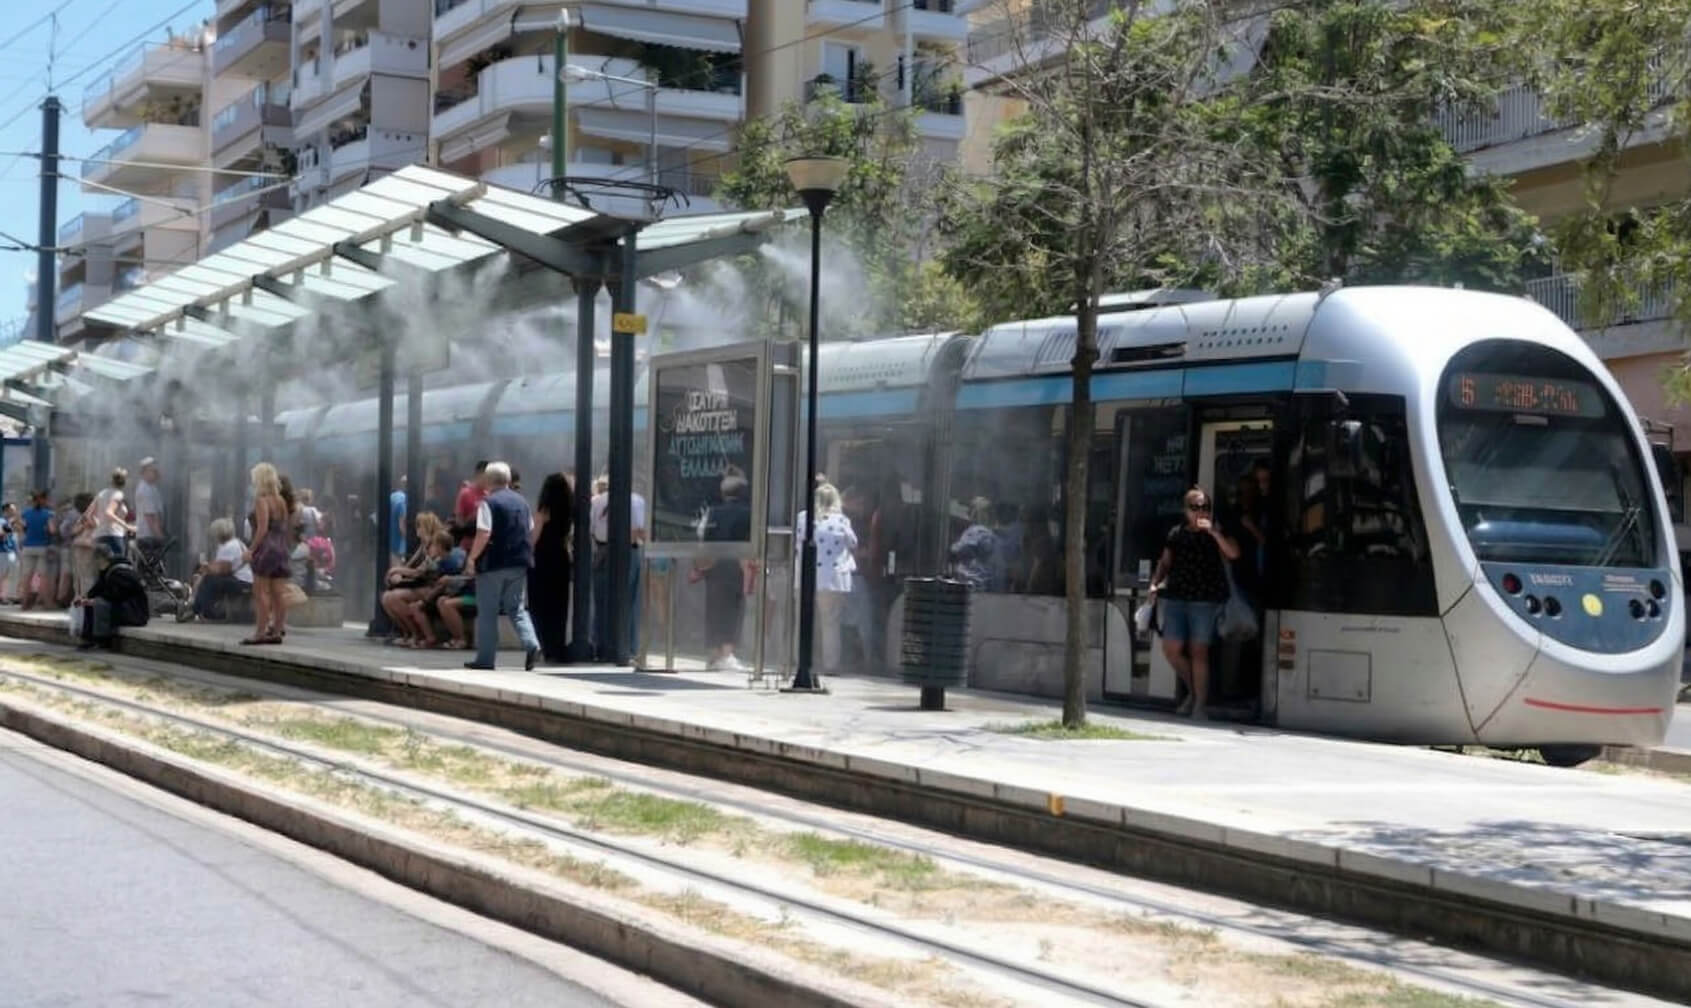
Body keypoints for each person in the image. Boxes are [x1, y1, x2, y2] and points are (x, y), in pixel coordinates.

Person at [1148, 486, 1241, 719]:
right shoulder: (1176, 533)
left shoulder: (1217, 530)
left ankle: (1199, 704)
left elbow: (1234, 554)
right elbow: (1165, 562)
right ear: (1186, 510)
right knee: (1171, 648)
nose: (1201, 512)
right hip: (1178, 597)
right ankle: (1194, 692)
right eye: (1196, 507)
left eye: (1205, 507)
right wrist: (1154, 583)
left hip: (1205, 600)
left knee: (1199, 651)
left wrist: (1215, 534)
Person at [464, 461, 540, 672]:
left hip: (493, 565)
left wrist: (472, 558)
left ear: (488, 480)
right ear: (508, 480)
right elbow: (530, 530)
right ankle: (532, 644)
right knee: (516, 608)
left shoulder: (488, 503)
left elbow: (484, 533)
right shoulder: (523, 503)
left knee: (488, 611)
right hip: (519, 563)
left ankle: (485, 659)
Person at [690, 473, 755, 672]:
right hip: (737, 563)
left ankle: (713, 654)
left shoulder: (713, 511)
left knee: (714, 608)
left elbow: (702, 535)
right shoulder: (748, 512)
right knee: (734, 609)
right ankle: (727, 654)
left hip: (714, 564)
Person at [796, 483, 858, 675]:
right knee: (830, 623)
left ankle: (802, 659)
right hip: (833, 578)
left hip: (807, 575)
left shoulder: (804, 517)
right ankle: (830, 664)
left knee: (804, 620)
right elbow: (854, 543)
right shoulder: (842, 521)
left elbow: (797, 542)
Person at [590, 475, 649, 661]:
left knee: (601, 600)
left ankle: (600, 645)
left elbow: (591, 528)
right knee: (629, 601)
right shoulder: (637, 500)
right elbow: (641, 531)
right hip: (627, 551)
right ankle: (628, 647)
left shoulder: (596, 501)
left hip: (602, 551)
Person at [244, 462, 293, 646]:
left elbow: (262, 528)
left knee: (260, 592)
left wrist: (251, 549)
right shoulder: (280, 501)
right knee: (278, 593)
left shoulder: (261, 500)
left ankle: (260, 632)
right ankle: (277, 630)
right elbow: (285, 527)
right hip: (281, 548)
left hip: (266, 549)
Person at [379, 512, 446, 644]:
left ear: (426, 526)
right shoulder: (424, 544)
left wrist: (395, 570)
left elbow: (418, 572)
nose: (417, 529)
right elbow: (409, 565)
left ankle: (417, 633)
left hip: (432, 587)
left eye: (419, 526)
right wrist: (397, 573)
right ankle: (407, 632)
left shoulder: (434, 545)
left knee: (394, 597)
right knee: (386, 597)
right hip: (421, 584)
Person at [529, 472, 573, 664]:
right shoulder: (570, 509)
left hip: (542, 559)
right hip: (561, 557)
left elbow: (535, 536)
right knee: (559, 606)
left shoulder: (544, 509)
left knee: (540, 606)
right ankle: (558, 646)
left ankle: (544, 647)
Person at [74, 541, 148, 650]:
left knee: (99, 604)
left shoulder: (121, 572)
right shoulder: (108, 570)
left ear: (101, 559)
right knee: (91, 603)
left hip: (134, 612)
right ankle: (88, 638)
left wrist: (94, 601)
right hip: (124, 608)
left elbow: (118, 594)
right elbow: (98, 588)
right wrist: (85, 597)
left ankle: (102, 639)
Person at [189, 518, 252, 620]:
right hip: (246, 580)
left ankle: (203, 610)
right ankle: (197, 608)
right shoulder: (237, 543)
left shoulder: (228, 546)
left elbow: (224, 570)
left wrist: (207, 568)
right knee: (209, 579)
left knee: (210, 580)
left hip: (241, 581)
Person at [949, 497, 1000, 591]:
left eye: (972, 509)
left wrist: (953, 546)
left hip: (971, 582)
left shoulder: (978, 531)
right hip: (983, 582)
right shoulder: (991, 534)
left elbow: (958, 549)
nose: (968, 512)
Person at [15, 492, 54, 609]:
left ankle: (24, 603)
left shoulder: (26, 513)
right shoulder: (48, 514)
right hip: (42, 547)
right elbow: (52, 530)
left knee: (26, 576)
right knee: (43, 576)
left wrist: (26, 534)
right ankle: (47, 603)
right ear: (43, 501)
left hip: (28, 547)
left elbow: (20, 527)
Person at [88, 468, 134, 559]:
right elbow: (109, 513)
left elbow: (89, 515)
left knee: (102, 570)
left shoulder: (101, 494)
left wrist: (98, 525)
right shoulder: (118, 494)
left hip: (99, 537)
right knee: (118, 567)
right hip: (114, 536)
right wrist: (127, 526)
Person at [68, 492, 97, 602]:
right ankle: (81, 600)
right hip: (81, 550)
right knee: (80, 578)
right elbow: (74, 531)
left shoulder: (93, 517)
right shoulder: (84, 517)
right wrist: (83, 526)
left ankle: (86, 600)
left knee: (87, 577)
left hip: (87, 549)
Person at [134, 457, 166, 555]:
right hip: (148, 538)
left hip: (152, 537)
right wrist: (160, 538)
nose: (156, 472)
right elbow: (150, 518)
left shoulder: (152, 488)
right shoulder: (145, 490)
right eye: (153, 470)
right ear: (144, 472)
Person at [454, 461, 488, 550]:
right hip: (468, 546)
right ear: (478, 475)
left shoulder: (489, 495)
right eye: (486, 476)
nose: (489, 480)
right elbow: (459, 521)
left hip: (486, 546)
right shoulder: (466, 493)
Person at [389, 475, 409, 566]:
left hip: (389, 542)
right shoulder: (404, 500)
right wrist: (409, 539)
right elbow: (402, 525)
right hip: (399, 545)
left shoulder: (391, 496)